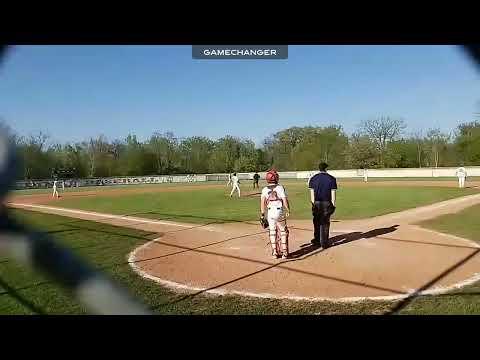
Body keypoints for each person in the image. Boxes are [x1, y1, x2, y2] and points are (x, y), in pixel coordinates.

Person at [260, 169, 291, 259]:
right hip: (279, 211)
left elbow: (262, 203)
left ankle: (275, 252)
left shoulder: (264, 189)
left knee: (272, 231)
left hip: (270, 212)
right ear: (276, 178)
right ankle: (284, 252)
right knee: (283, 231)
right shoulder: (280, 188)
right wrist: (288, 210)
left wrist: (262, 214)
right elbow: (284, 200)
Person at [308, 162, 337, 249]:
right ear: (326, 169)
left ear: (319, 168)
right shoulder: (332, 178)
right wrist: (333, 204)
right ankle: (324, 242)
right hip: (327, 202)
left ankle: (317, 240)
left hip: (316, 202)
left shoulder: (313, 178)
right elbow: (333, 193)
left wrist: (313, 203)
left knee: (316, 221)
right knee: (325, 222)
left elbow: (312, 193)